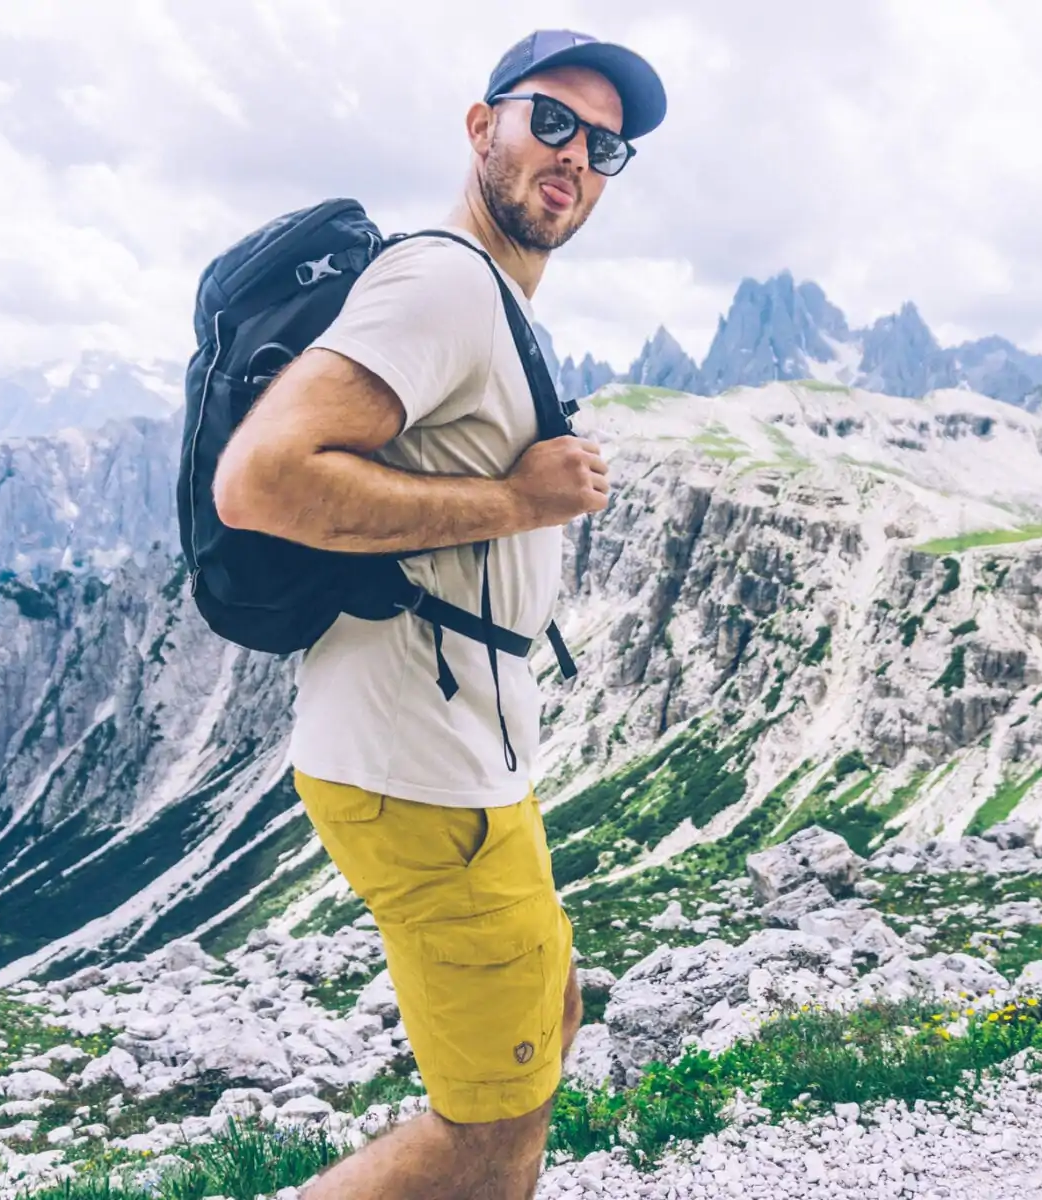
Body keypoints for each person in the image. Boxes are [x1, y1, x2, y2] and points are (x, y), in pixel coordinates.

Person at [210, 28, 667, 1200]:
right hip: (421, 769)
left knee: (548, 1014)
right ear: (484, 127)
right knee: (490, 1130)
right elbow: (261, 478)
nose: (575, 157)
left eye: (603, 146)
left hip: (465, 760)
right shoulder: (443, 281)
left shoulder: (488, 295)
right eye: (550, 122)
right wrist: (518, 499)